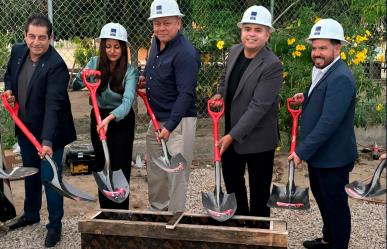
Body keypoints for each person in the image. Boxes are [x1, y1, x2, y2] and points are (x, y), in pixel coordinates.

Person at [4, 15, 76, 247]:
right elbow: (9, 77)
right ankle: (31, 213)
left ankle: (55, 226)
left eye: (42, 37)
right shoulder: (17, 52)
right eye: (32, 36)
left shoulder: (56, 66)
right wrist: (10, 92)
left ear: (50, 38)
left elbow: (53, 106)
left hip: (51, 133)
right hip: (25, 127)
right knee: (30, 172)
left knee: (50, 178)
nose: (36, 42)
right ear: (25, 36)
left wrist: (46, 141)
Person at [288, 19, 357, 249]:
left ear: (337, 48)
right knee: (324, 200)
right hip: (321, 155)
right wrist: (305, 97)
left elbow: (329, 121)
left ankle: (338, 245)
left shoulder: (341, 77)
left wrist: (300, 152)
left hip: (333, 157)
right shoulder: (324, 69)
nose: (317, 53)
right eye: (314, 47)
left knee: (335, 205)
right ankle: (328, 239)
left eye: (323, 48)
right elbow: (322, 97)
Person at [211, 5, 282, 218]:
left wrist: (231, 136)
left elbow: (259, 107)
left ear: (267, 34)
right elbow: (227, 81)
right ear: (241, 31)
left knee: (259, 195)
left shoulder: (272, 65)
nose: (251, 34)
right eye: (247, 28)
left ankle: (258, 234)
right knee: (233, 186)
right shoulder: (234, 51)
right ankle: (240, 226)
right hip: (232, 134)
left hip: (258, 140)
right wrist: (220, 94)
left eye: (258, 30)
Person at [138, 0, 200, 213]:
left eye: (166, 23)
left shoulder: (186, 53)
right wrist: (145, 80)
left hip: (179, 122)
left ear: (178, 23)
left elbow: (186, 94)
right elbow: (152, 70)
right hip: (157, 120)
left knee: (176, 174)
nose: (161, 28)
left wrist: (170, 126)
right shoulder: (156, 42)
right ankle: (158, 211)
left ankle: (174, 219)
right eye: (157, 23)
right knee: (156, 169)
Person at [72, 23, 137, 210]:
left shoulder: (130, 71)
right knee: (102, 162)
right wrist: (81, 76)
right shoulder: (94, 62)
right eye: (108, 46)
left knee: (120, 164)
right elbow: (76, 85)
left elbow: (127, 102)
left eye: (117, 46)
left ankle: (121, 211)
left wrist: (110, 118)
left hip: (121, 120)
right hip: (98, 117)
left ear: (123, 48)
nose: (112, 51)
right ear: (102, 46)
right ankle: (106, 210)